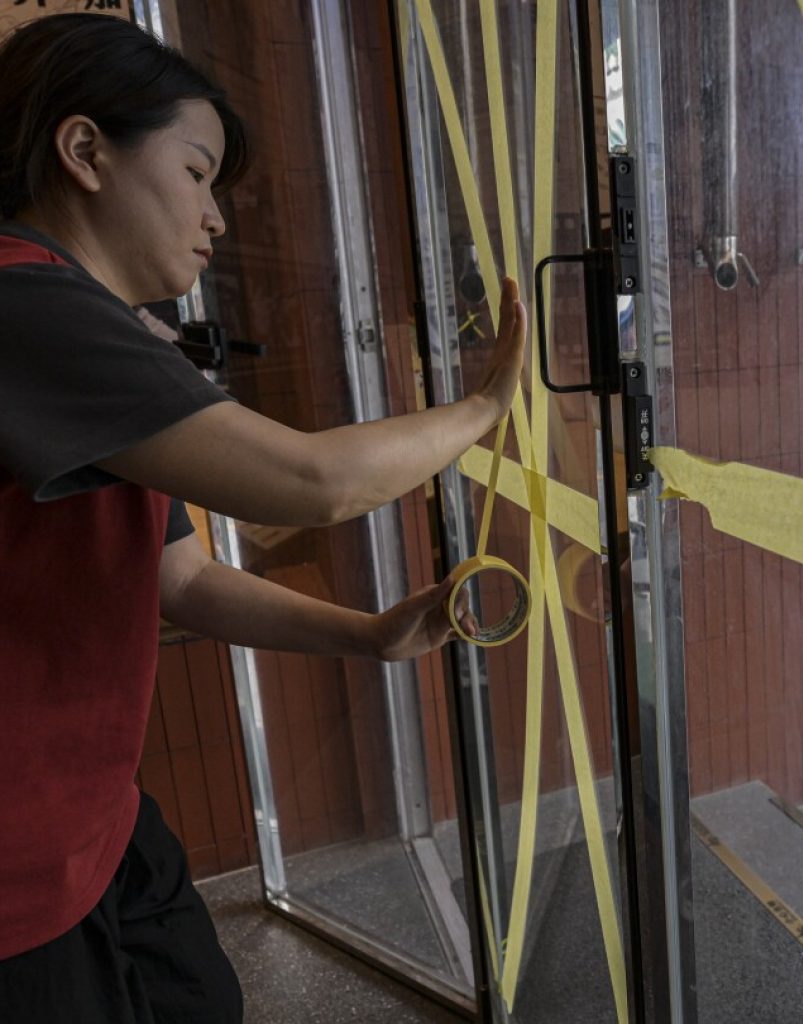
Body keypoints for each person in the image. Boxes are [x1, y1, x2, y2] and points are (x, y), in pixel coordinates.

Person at [0, 13, 526, 1024]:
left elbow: (184, 581)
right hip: (17, 879)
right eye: (197, 172)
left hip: (95, 822)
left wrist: (371, 634)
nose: (216, 218)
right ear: (84, 151)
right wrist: (483, 408)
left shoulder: (93, 333)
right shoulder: (25, 304)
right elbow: (312, 479)